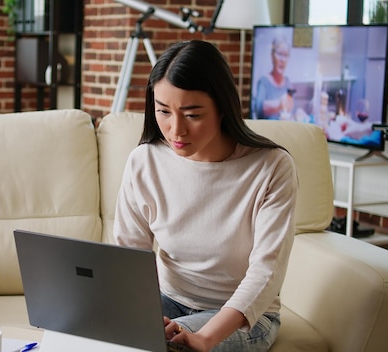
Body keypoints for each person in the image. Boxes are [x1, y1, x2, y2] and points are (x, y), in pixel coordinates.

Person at [113, 40, 297, 352]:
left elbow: (267, 271)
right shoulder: (145, 161)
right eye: (163, 111)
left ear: (223, 107)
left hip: (241, 315)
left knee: (168, 347)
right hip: (168, 301)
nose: (175, 130)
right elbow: (129, 255)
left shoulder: (271, 167)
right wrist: (142, 314)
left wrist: (205, 337)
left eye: (192, 114)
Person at [253, 35, 295, 120]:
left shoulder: (288, 83)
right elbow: (258, 109)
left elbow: (291, 111)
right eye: (279, 54)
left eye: (285, 55)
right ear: (272, 55)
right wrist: (279, 104)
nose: (282, 60)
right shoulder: (264, 81)